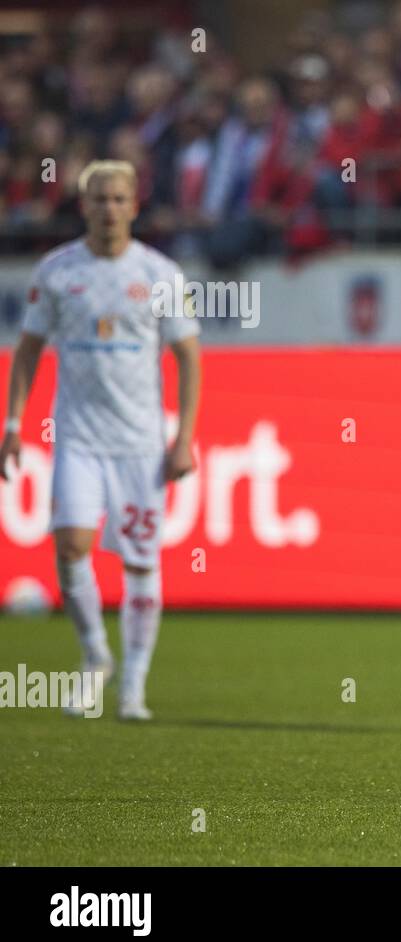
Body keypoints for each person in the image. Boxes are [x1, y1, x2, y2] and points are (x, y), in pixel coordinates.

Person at [0, 160, 202, 720]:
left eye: (118, 199)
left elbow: (188, 355)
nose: (108, 209)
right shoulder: (58, 271)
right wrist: (14, 425)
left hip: (140, 443)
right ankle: (96, 656)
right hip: (79, 440)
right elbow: (28, 351)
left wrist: (183, 437)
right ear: (83, 206)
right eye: (98, 200)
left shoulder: (161, 274)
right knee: (70, 548)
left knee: (140, 562)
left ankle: (134, 684)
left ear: (134, 206)